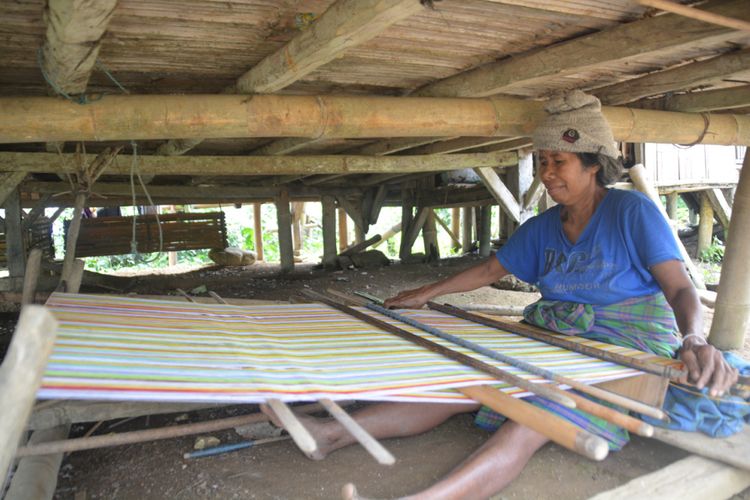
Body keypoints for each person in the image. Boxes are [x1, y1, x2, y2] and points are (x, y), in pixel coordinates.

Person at [262, 91, 739, 500]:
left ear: (594, 164)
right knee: (465, 381)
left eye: (560, 162)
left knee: (533, 416)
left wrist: (694, 340)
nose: (548, 174)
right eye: (543, 162)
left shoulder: (630, 211)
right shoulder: (542, 228)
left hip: (627, 346)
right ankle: (330, 433)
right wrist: (424, 293)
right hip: (555, 340)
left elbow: (679, 287)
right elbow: (491, 269)